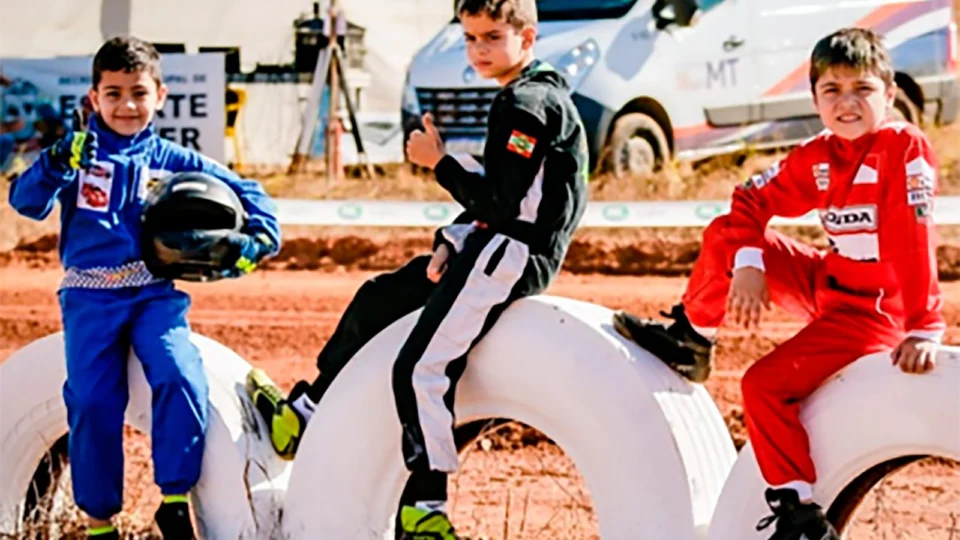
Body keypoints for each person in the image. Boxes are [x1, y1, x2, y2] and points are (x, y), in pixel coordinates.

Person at [246, 0, 589, 537]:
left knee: (418, 370)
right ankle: (305, 413)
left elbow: (503, 205)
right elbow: (509, 199)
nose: (480, 49)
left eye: (493, 37)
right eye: (471, 37)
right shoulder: (525, 95)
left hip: (509, 255)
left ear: (528, 37)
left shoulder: (528, 104)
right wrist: (451, 239)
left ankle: (424, 511)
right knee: (378, 299)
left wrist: (439, 162)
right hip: (487, 244)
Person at [612, 27, 943, 539]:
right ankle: (694, 339)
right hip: (828, 283)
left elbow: (912, 238)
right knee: (725, 233)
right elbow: (750, 198)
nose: (847, 103)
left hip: (874, 313)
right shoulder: (819, 155)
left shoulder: (902, 147)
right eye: (831, 90)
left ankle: (800, 513)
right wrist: (749, 260)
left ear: (891, 92)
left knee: (761, 384)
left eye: (862, 89)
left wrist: (924, 326)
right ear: (813, 98)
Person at [8, 36, 280, 539]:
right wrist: (52, 165)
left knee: (181, 377)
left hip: (156, 296)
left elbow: (250, 191)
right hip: (88, 300)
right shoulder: (75, 156)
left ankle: (174, 500)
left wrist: (259, 238)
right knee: (91, 402)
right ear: (94, 98)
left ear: (160, 94)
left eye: (138, 92)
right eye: (113, 93)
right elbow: (24, 202)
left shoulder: (175, 159)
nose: (126, 105)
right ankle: (98, 523)